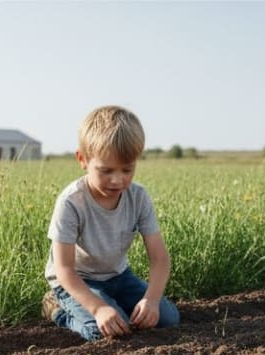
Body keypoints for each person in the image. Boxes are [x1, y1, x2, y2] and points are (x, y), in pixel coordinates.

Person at [41, 105, 180, 341]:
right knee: (105, 332)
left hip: (119, 276)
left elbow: (160, 259)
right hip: (77, 282)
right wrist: (98, 309)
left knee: (168, 318)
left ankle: (114, 306)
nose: (117, 180)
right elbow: (64, 269)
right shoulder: (71, 202)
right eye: (106, 171)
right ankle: (56, 309)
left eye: (127, 169)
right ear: (82, 159)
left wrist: (151, 300)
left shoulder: (138, 197)